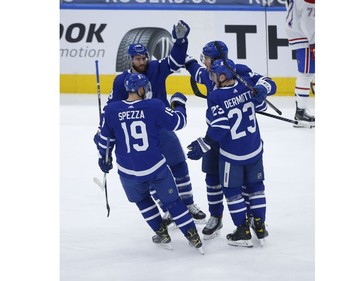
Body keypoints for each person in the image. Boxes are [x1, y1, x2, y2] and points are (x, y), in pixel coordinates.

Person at [95, 20, 206, 223]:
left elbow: (175, 60)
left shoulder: (156, 68)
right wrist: (102, 132)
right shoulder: (121, 81)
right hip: (141, 132)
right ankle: (168, 208)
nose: (142, 61)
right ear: (131, 60)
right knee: (153, 171)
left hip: (162, 126)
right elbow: (111, 109)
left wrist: (180, 41)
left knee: (178, 163)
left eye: (144, 57)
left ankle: (188, 203)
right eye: (137, 58)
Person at [96, 73, 204, 254]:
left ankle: (162, 233)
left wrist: (104, 158)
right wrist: (179, 104)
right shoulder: (153, 106)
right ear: (139, 89)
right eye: (145, 88)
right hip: (155, 167)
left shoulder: (112, 110)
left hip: (128, 171)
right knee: (173, 202)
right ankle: (192, 235)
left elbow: (104, 140)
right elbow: (179, 122)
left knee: (142, 200)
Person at [185, 41, 276, 240]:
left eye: (206, 59)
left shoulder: (240, 72)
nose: (205, 64)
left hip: (227, 136)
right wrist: (185, 57)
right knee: (212, 177)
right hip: (217, 135)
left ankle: (249, 219)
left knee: (240, 182)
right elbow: (196, 71)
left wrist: (261, 89)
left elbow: (267, 83)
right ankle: (216, 216)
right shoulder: (212, 73)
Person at [285, 0, 315, 127]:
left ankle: (301, 111)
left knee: (308, 73)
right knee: (306, 74)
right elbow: (308, 21)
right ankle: (300, 112)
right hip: (305, 36)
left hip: (299, 32)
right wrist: (314, 42)